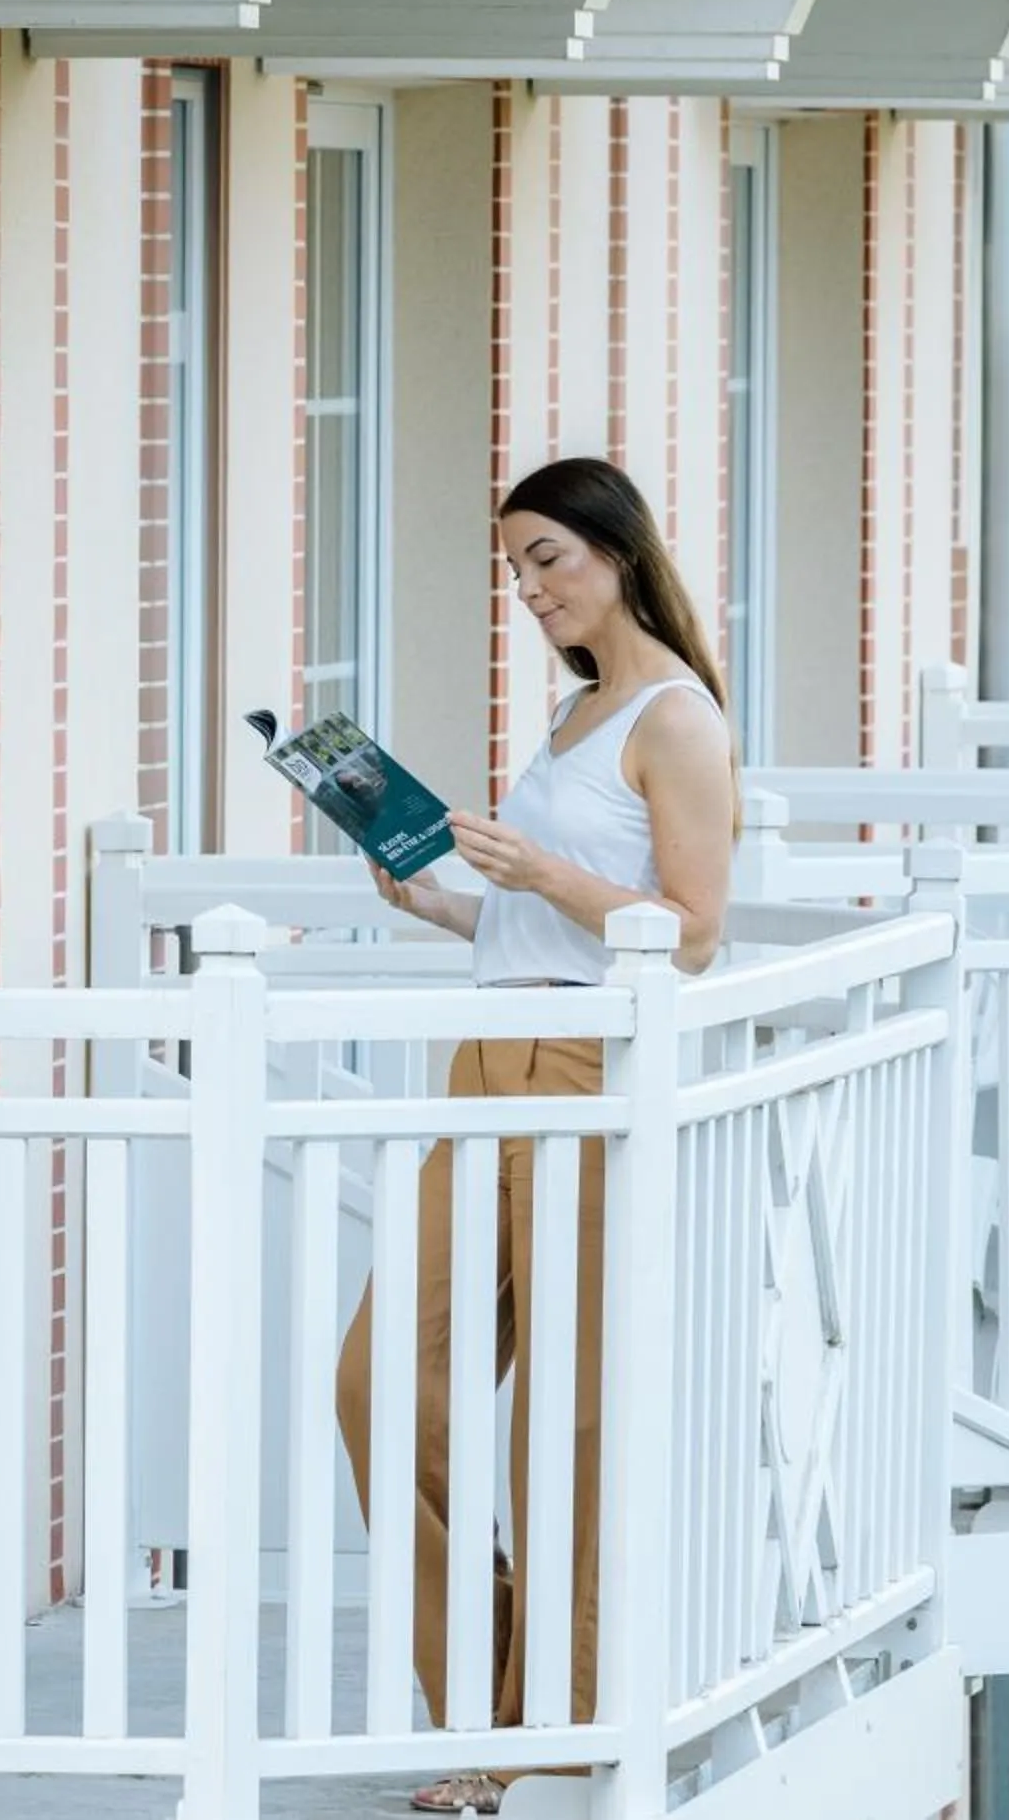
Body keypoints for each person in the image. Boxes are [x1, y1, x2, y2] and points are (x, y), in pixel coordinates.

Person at [337, 456, 736, 1814]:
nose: (530, 588)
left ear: (620, 551)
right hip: (489, 1051)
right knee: (383, 1379)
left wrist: (540, 868)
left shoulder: (675, 718)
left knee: (569, 1410)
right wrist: (448, 902)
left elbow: (687, 932)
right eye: (513, 568)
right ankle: (490, 1698)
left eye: (548, 557)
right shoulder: (572, 717)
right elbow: (536, 921)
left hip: (587, 1064)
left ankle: (546, 1736)